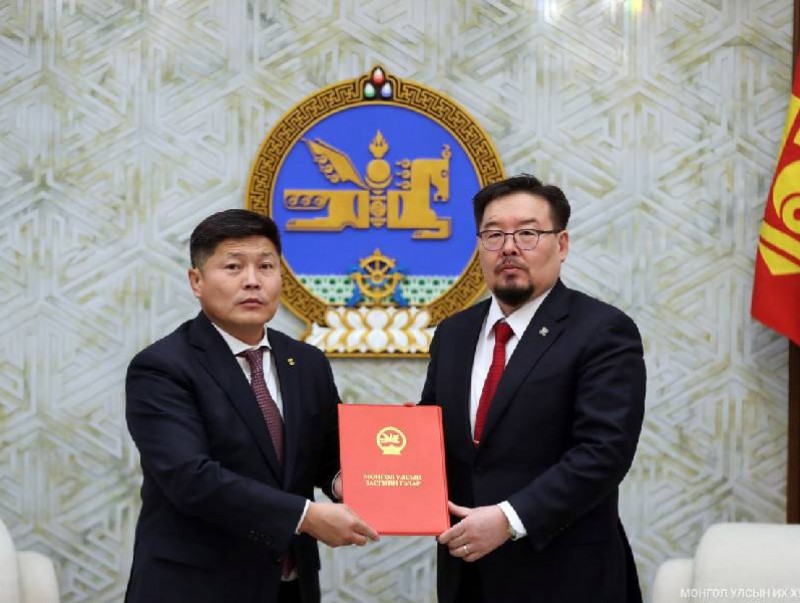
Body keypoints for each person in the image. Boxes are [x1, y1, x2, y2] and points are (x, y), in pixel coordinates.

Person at [125, 209, 378, 603]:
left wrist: (352, 479)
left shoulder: (306, 362)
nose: (252, 280)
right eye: (233, 266)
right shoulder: (163, 367)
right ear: (196, 281)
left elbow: (328, 454)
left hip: (289, 586)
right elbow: (191, 478)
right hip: (198, 588)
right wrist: (305, 516)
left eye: (265, 266)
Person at [420, 175, 646, 603]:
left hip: (566, 575)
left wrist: (509, 519)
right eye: (494, 234)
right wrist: (377, 465)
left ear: (561, 245)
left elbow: (604, 452)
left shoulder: (602, 330)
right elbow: (432, 431)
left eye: (527, 233)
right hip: (467, 576)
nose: (509, 247)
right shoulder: (454, 333)